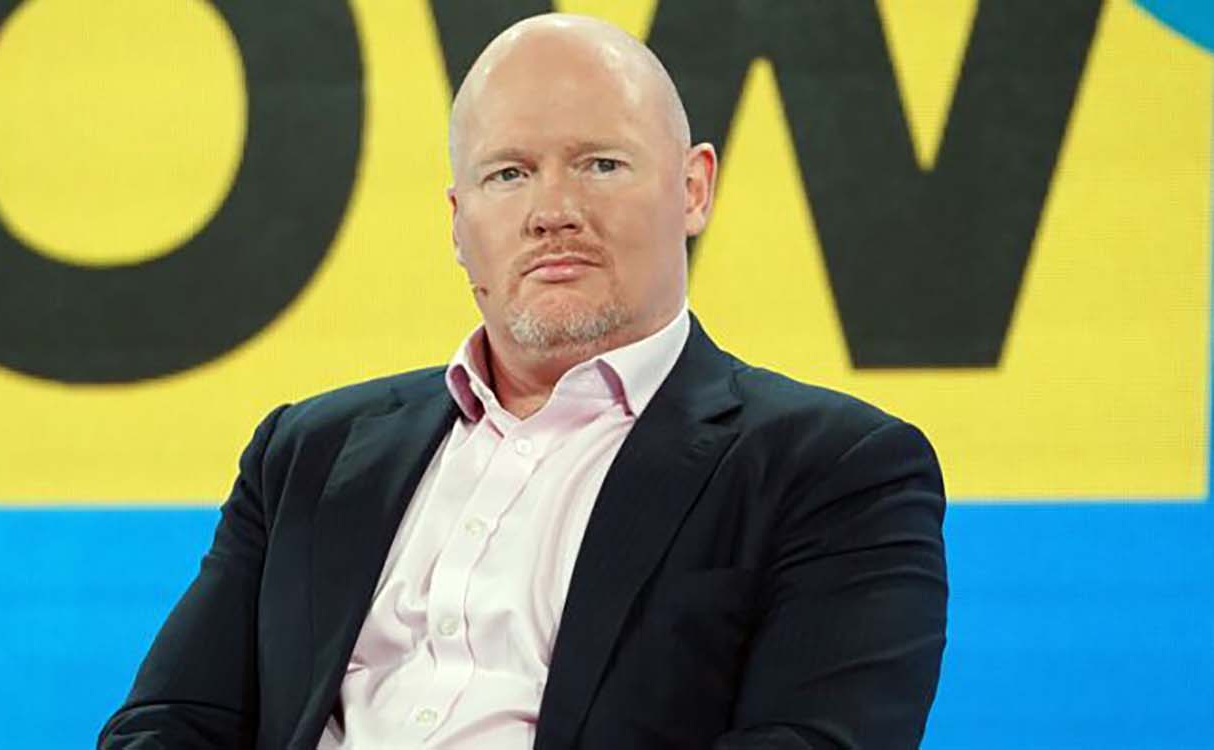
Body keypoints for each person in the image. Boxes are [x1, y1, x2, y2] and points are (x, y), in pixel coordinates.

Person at [99, 13, 946, 750]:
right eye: (508, 174)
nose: (552, 212)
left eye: (600, 165)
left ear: (694, 189)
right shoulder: (307, 455)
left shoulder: (837, 471)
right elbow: (168, 724)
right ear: (458, 221)